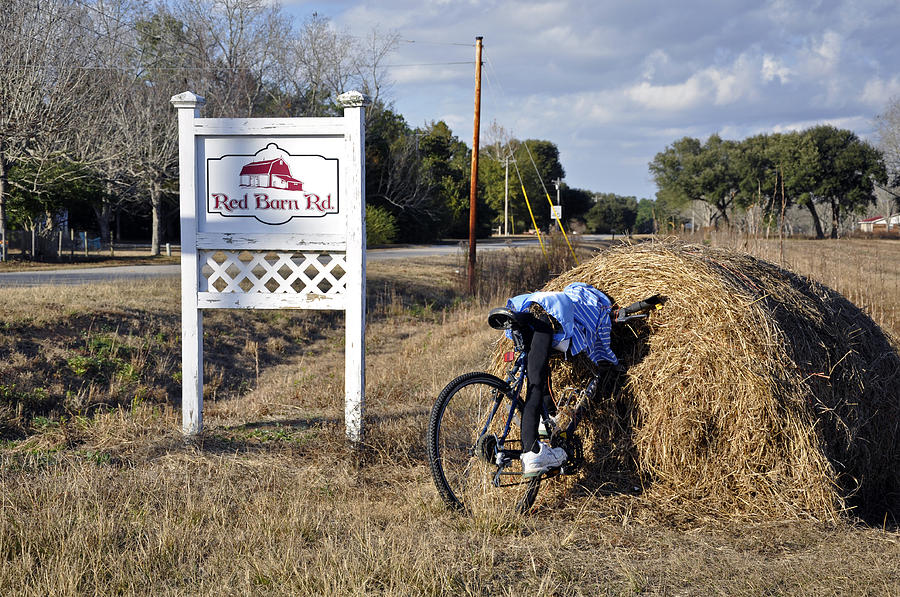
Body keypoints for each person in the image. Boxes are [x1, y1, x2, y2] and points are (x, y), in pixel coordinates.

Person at [504, 282, 618, 477]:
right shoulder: (586, 304)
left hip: (522, 311)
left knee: (536, 369)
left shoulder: (552, 298)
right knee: (535, 382)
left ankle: (546, 419)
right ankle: (532, 452)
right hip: (543, 319)